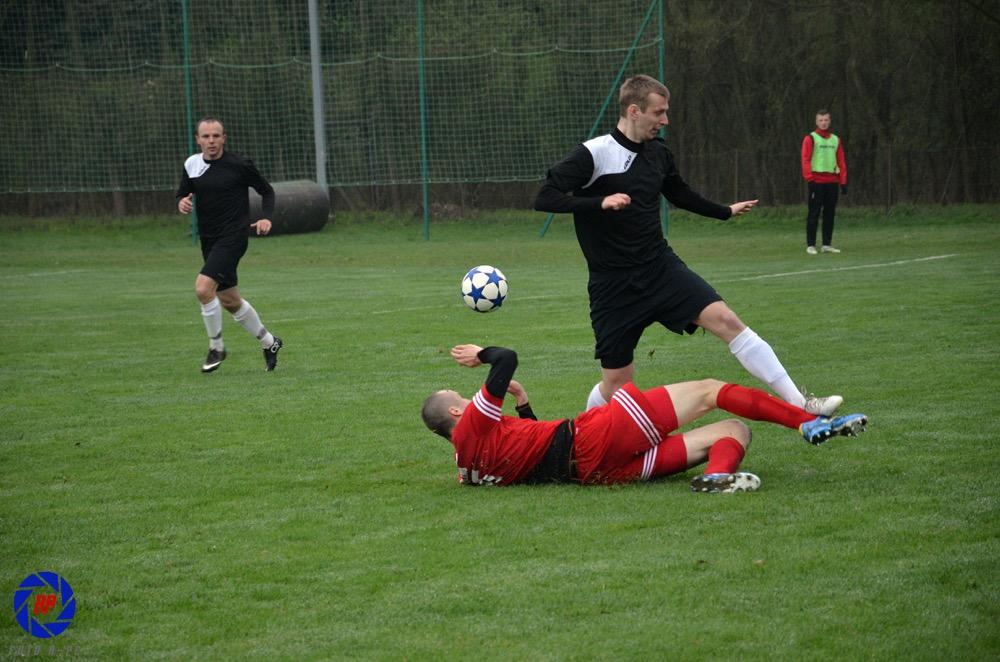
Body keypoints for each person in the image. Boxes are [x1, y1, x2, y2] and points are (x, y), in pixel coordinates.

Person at [534, 75, 841, 416]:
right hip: (613, 286)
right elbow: (544, 197)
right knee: (617, 384)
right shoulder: (594, 153)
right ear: (634, 111)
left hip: (660, 268)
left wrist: (724, 211)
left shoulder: (658, 153)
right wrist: (599, 202)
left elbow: (679, 194)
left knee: (727, 320)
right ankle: (585, 428)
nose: (665, 120)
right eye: (658, 112)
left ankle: (802, 404)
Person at [421, 345, 868, 491]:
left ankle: (717, 478)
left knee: (735, 430)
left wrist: (522, 404)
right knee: (710, 390)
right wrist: (479, 354)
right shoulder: (473, 424)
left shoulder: (467, 468)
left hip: (597, 472)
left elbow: (531, 450)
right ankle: (807, 422)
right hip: (596, 437)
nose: (467, 397)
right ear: (457, 411)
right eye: (459, 395)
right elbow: (506, 358)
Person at [176, 117, 284, 373]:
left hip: (234, 237)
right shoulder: (192, 164)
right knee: (229, 300)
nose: (211, 141)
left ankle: (217, 347)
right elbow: (184, 192)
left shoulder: (239, 164)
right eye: (206, 136)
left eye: (216, 136)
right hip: (209, 239)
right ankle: (270, 342)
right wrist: (182, 202)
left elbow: (267, 191)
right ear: (198, 139)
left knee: (203, 289)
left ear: (224, 138)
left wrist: (266, 217)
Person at [801, 109, 848, 254]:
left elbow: (841, 161)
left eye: (826, 120)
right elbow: (805, 159)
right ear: (816, 122)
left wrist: (843, 181)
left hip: (832, 181)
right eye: (821, 120)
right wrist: (810, 179)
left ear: (830, 121)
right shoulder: (810, 138)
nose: (823, 123)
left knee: (830, 213)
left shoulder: (835, 139)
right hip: (816, 181)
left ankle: (826, 244)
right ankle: (811, 245)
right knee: (814, 213)